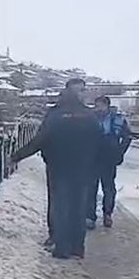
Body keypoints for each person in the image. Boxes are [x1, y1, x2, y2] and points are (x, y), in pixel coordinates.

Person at [12, 79, 101, 259]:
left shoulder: (55, 115)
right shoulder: (90, 116)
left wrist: (16, 156)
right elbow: (99, 143)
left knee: (60, 206)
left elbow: (40, 140)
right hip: (83, 170)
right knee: (78, 207)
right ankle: (77, 247)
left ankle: (61, 246)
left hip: (58, 168)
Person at [39, 78, 88, 247]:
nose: (78, 94)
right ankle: (56, 235)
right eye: (76, 90)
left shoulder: (88, 114)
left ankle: (73, 242)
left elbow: (98, 139)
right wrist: (47, 155)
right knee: (57, 202)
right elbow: (42, 137)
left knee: (77, 202)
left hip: (80, 167)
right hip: (57, 165)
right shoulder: (55, 113)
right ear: (68, 91)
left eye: (81, 90)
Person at [87, 96, 131, 229]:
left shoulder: (117, 120)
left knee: (109, 188)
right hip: (92, 158)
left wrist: (120, 152)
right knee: (90, 188)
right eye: (96, 106)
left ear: (107, 106)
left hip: (109, 159)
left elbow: (127, 137)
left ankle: (107, 214)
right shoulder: (90, 118)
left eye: (100, 106)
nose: (98, 109)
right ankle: (90, 216)